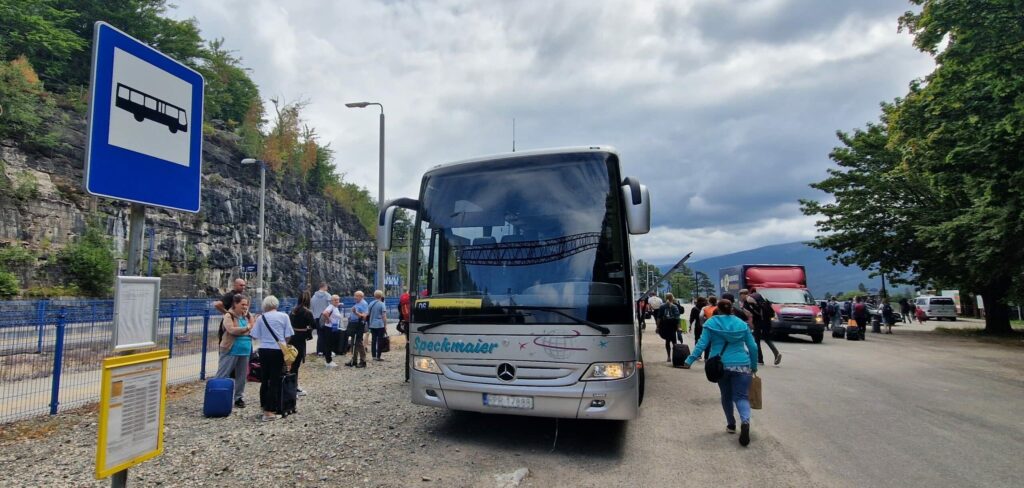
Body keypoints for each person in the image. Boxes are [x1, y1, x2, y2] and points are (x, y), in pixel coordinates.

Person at [682, 299, 759, 446]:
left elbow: (702, 343)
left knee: (726, 396)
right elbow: (753, 347)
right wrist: (753, 366)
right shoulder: (742, 324)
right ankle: (745, 421)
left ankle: (731, 424)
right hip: (742, 364)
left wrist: (690, 359)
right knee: (742, 397)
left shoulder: (711, 323)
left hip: (720, 365)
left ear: (718, 309)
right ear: (732, 309)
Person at [250, 295, 295, 421]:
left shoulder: (261, 318)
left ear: (265, 305)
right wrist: (284, 346)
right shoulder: (284, 316)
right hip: (277, 350)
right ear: (276, 304)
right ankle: (269, 411)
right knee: (274, 379)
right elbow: (288, 335)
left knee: (265, 379)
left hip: (264, 350)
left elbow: (254, 335)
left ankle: (264, 405)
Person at [214, 294, 254, 409]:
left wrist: (248, 328)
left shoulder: (247, 316)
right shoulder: (229, 315)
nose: (245, 307)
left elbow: (253, 327)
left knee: (242, 376)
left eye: (246, 304)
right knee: (223, 373)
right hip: (230, 349)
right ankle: (217, 396)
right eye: (242, 304)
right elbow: (231, 330)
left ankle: (239, 397)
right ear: (235, 304)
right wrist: (247, 328)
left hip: (244, 350)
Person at [746, 288, 781, 366]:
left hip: (758, 323)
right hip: (767, 323)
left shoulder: (753, 302)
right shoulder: (765, 302)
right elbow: (771, 314)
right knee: (767, 339)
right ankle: (776, 353)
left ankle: (760, 359)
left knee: (757, 341)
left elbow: (753, 314)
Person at [288, 291, 315, 395]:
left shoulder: (293, 311)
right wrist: (307, 329)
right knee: (296, 364)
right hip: (300, 339)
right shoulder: (307, 312)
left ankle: (291, 384)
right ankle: (294, 387)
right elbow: (313, 325)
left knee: (291, 363)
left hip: (292, 338)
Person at [345, 291, 369, 368]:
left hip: (359, 325)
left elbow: (364, 316)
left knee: (358, 342)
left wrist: (355, 313)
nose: (355, 297)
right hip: (353, 324)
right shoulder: (357, 303)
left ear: (361, 296)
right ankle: (354, 360)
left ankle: (363, 360)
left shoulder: (364, 304)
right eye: (354, 295)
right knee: (353, 342)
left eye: (357, 296)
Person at [319, 295, 344, 367]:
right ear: (331, 301)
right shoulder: (330, 307)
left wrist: (339, 304)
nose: (337, 301)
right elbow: (325, 313)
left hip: (333, 328)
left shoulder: (334, 306)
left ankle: (329, 358)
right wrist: (328, 319)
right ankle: (328, 361)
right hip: (329, 328)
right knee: (328, 344)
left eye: (338, 300)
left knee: (330, 344)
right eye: (335, 300)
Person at [656, 293, 681, 361]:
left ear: (665, 298)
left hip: (665, 325)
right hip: (673, 326)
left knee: (667, 340)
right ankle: (675, 356)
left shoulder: (662, 306)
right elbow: (677, 318)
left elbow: (659, 318)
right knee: (674, 341)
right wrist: (679, 327)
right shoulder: (674, 306)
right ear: (672, 298)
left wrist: (657, 327)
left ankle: (668, 357)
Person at [368, 290, 389, 361]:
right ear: (381, 296)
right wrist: (385, 325)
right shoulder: (382, 304)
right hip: (380, 324)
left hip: (372, 324)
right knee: (380, 340)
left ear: (374, 296)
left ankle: (373, 356)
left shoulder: (370, 303)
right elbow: (384, 316)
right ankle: (378, 356)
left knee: (373, 340)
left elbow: (368, 314)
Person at [311, 282, 331, 356]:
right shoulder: (327, 295)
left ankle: (319, 351)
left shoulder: (313, 296)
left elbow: (311, 308)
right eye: (327, 287)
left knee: (320, 335)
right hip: (325, 317)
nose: (327, 288)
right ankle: (326, 351)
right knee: (327, 335)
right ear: (324, 287)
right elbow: (331, 307)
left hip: (316, 317)